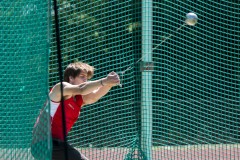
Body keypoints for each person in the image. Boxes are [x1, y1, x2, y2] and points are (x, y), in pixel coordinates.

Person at [31, 61, 120, 160]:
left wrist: (110, 84)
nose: (85, 80)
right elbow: (82, 89)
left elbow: (94, 96)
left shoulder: (78, 99)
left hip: (57, 145)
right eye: (82, 76)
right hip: (44, 144)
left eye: (86, 77)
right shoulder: (60, 88)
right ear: (71, 78)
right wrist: (104, 81)